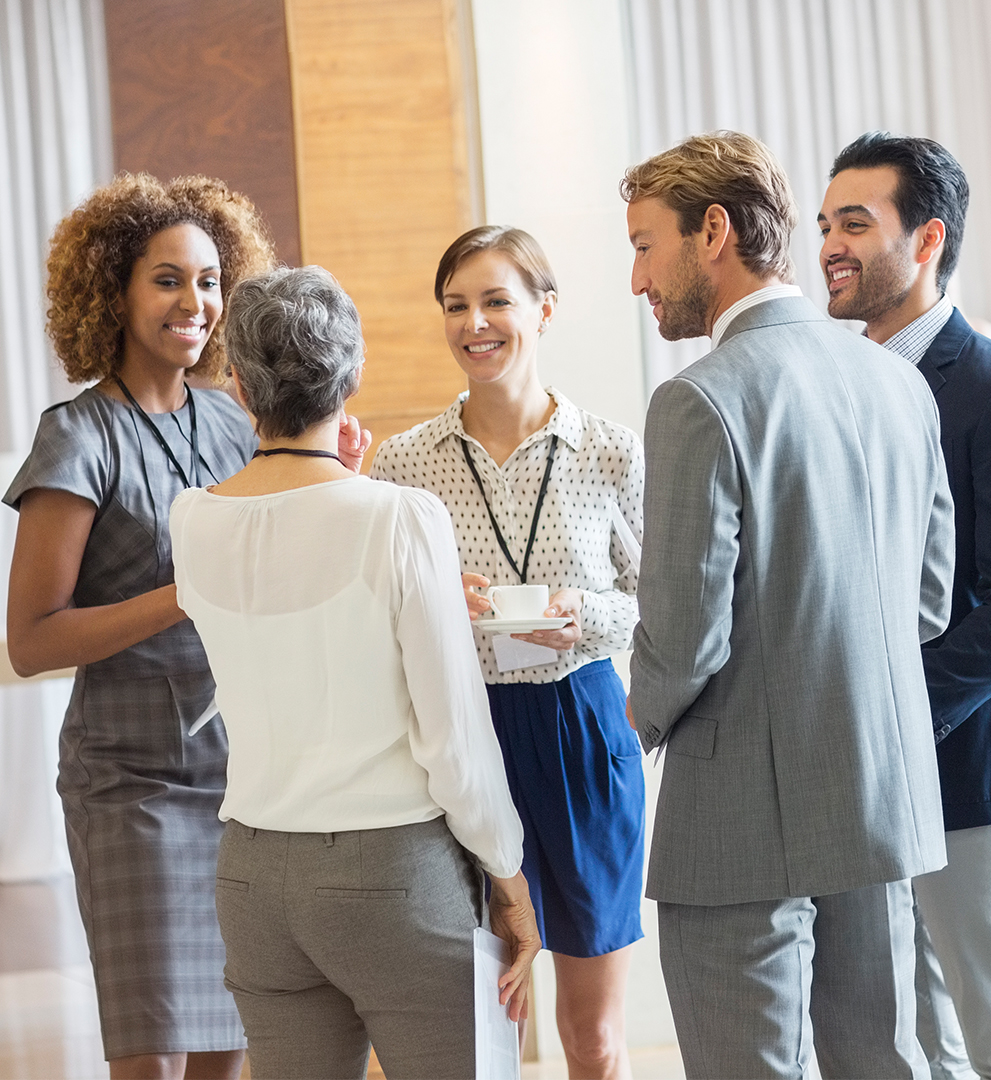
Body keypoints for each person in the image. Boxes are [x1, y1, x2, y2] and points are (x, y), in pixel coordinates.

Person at [621, 130, 955, 1080]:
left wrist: (627, 719)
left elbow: (685, 638)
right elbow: (926, 603)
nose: (637, 279)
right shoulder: (899, 382)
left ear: (712, 232)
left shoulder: (700, 400)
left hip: (738, 818)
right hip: (878, 795)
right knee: (883, 1064)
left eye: (646, 245)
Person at [169, 265, 539, 1080]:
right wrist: (509, 881)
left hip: (256, 879)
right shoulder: (400, 519)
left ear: (236, 384)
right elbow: (455, 740)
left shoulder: (192, 521)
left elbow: (287, 579)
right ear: (354, 371)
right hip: (393, 875)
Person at [4, 174, 275, 1079]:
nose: (193, 302)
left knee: (229, 1042)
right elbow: (32, 639)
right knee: (150, 1050)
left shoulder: (237, 425)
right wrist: (179, 595)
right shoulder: (78, 437)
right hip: (131, 785)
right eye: (166, 280)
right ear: (114, 289)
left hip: (241, 775)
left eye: (207, 281)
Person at [819, 132, 991, 1080]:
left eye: (856, 222)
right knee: (918, 1045)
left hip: (963, 767)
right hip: (856, 786)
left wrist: (893, 714)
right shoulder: (836, 389)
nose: (830, 246)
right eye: (823, 225)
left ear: (926, 241)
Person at [371, 225, 646, 1080]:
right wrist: (436, 608)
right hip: (463, 734)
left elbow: (663, 603)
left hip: (583, 730)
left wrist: (582, 612)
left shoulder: (609, 449)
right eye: (456, 305)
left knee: (591, 1033)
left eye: (496, 301)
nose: (474, 323)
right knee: (482, 1024)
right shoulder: (404, 462)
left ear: (545, 310)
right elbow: (378, 616)